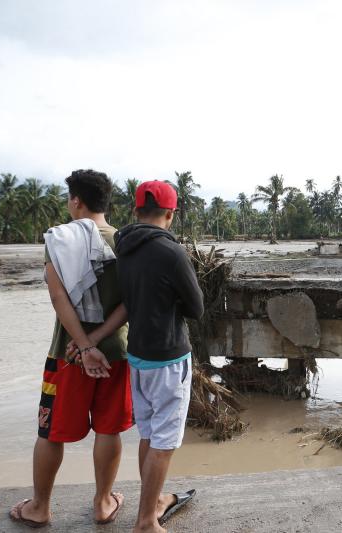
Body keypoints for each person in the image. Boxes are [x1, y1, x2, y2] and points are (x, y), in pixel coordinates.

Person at [10, 169, 132, 528]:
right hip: (116, 354)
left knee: (52, 431)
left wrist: (81, 344)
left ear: (76, 201)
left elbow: (57, 295)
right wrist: (97, 342)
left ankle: (41, 507)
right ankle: (103, 502)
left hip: (67, 354)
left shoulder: (60, 240)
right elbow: (129, 302)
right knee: (110, 430)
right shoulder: (125, 241)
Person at [114, 180, 204, 533]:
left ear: (137, 211)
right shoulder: (172, 253)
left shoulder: (124, 247)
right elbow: (196, 308)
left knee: (150, 437)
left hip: (136, 356)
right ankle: (146, 522)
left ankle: (154, 503)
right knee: (164, 445)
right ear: (170, 214)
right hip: (168, 359)